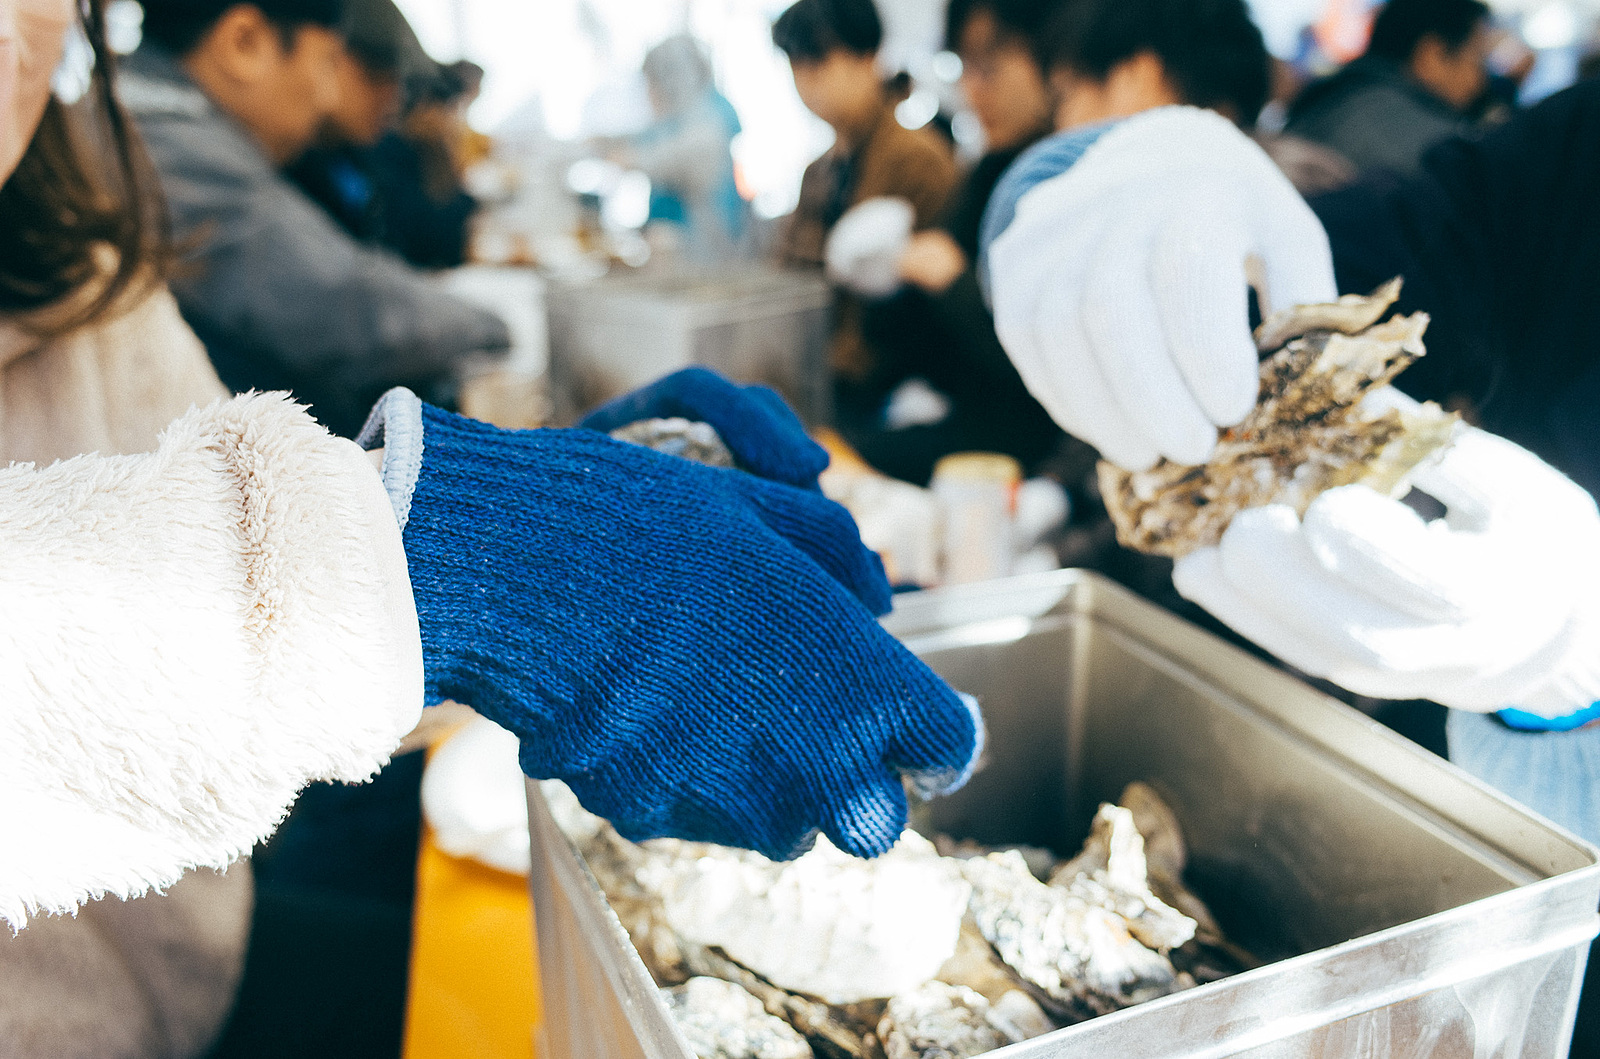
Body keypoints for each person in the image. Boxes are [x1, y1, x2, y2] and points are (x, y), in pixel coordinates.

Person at [0, 4, 982, 1057]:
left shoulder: (70, 259)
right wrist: (450, 558)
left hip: (184, 948)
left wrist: (567, 505)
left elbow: (212, 557)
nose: (13, 40)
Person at [976, 0, 1600, 1046]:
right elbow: (1360, 260)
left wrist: (1577, 660)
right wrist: (1085, 185)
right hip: (1437, 907)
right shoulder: (1574, 159)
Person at [122, 0, 511, 438]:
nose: (328, 97)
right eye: (326, 60)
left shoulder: (152, 127)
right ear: (243, 43)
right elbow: (342, 304)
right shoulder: (165, 147)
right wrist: (501, 325)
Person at [822, 0, 1067, 486]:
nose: (974, 90)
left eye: (989, 68)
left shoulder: (1058, 179)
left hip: (1022, 448)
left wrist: (952, 282)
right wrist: (890, 280)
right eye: (965, 68)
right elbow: (922, 336)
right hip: (950, 410)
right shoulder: (987, 170)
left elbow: (1039, 378)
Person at [771, 0, 958, 435]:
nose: (807, 81)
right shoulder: (819, 170)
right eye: (796, 66)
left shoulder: (918, 158)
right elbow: (789, 276)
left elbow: (931, 306)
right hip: (819, 384)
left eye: (819, 61)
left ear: (866, 55)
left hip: (891, 398)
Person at [1286, 0, 1494, 175]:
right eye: (1478, 60)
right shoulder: (1429, 148)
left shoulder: (1341, 96)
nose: (1483, 80)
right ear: (1433, 55)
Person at [285, 0, 428, 249]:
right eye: (373, 77)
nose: (392, 102)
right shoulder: (285, 165)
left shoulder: (357, 158)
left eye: (398, 84)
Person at [601, 34, 747, 265]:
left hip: (704, 254)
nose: (649, 94)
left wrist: (621, 157)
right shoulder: (678, 122)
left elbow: (662, 158)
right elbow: (643, 138)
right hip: (679, 256)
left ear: (671, 81)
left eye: (652, 83)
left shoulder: (706, 127)